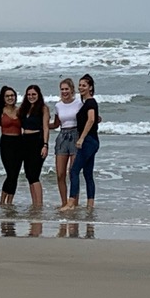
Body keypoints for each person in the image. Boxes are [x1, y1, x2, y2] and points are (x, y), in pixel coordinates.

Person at [61, 74, 100, 211]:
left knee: (74, 170)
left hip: (88, 141)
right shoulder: (87, 103)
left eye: (84, 85)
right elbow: (93, 118)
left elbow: (91, 120)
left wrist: (82, 138)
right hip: (93, 140)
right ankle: (90, 205)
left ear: (90, 87)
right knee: (88, 174)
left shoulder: (90, 102)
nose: (81, 88)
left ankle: (71, 203)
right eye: (80, 85)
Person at [49, 78, 82, 207]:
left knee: (73, 172)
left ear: (72, 89)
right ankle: (64, 203)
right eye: (62, 89)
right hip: (62, 136)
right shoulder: (58, 105)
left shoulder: (79, 103)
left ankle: (73, 202)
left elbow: (87, 118)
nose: (64, 91)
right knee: (60, 174)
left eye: (66, 89)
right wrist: (42, 125)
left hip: (75, 135)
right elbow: (56, 124)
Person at [19, 84, 50, 207]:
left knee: (34, 174)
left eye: (34, 94)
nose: (31, 96)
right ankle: (34, 203)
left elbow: (46, 127)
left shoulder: (43, 108)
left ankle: (39, 204)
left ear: (38, 95)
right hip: (25, 141)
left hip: (37, 141)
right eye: (29, 94)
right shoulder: (24, 108)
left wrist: (45, 145)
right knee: (28, 174)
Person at [0, 86, 23, 205]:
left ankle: (10, 202)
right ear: (3, 98)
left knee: (15, 174)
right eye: (7, 96)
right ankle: (2, 201)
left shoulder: (20, 110)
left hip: (19, 142)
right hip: (6, 142)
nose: (10, 98)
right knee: (10, 173)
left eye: (12, 95)